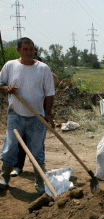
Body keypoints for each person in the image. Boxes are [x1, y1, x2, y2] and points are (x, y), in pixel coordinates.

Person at [0, 37, 55, 194]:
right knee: (10, 146)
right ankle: (4, 177)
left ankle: (40, 182)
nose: (29, 52)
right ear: (18, 50)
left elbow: (50, 94)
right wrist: (6, 89)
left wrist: (48, 114)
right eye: (25, 49)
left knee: (37, 150)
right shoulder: (10, 66)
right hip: (15, 114)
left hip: (37, 116)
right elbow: (0, 84)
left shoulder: (43, 69)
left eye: (31, 49)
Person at [10, 47, 59, 177]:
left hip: (38, 112)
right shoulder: (18, 66)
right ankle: (18, 166)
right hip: (21, 110)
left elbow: (55, 80)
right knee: (21, 140)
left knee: (38, 143)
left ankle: (38, 169)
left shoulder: (41, 67)